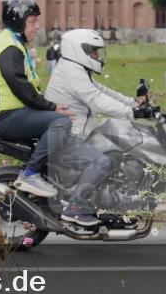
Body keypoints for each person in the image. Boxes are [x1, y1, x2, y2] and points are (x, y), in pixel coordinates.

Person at [45, 29, 151, 225]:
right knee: (102, 162)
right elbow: (96, 100)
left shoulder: (74, 69)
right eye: (93, 51)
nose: (97, 56)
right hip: (67, 137)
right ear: (79, 50)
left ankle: (107, 202)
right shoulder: (71, 71)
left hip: (76, 133)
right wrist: (131, 112)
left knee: (114, 152)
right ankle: (74, 207)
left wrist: (134, 103)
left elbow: (102, 90)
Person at [0, 0, 75, 201]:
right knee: (61, 122)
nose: (37, 26)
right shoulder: (9, 48)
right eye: (32, 21)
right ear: (18, 21)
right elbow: (21, 88)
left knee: (57, 123)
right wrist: (52, 107)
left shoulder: (14, 42)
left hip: (13, 113)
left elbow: (28, 87)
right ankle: (31, 174)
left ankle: (51, 180)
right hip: (4, 117)